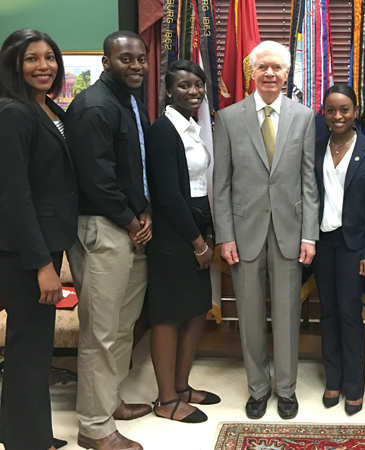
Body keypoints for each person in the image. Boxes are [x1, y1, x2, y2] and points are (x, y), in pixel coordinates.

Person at [213, 40, 319, 420]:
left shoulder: (304, 117)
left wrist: (310, 235)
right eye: (263, 68)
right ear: (252, 74)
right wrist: (224, 235)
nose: (270, 74)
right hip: (244, 234)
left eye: (277, 68)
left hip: (291, 233)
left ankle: (286, 390)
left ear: (287, 74)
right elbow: (220, 183)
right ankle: (258, 389)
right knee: (251, 316)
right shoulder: (228, 118)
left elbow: (309, 181)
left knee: (288, 315)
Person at [65, 31, 152, 450]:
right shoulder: (93, 105)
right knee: (99, 332)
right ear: (106, 62)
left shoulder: (130, 100)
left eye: (141, 59)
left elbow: (134, 167)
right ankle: (94, 428)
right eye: (125, 59)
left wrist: (145, 212)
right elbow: (95, 178)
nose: (136, 66)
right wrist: (131, 220)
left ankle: (110, 400)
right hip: (103, 228)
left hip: (131, 227)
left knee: (122, 325)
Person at [0, 28, 78, 450]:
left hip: (46, 243)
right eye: (32, 58)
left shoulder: (48, 107)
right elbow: (15, 195)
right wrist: (44, 266)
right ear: (14, 63)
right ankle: (29, 443)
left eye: (49, 57)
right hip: (24, 254)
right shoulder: (12, 112)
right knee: (29, 350)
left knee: (31, 348)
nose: (43, 66)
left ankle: (17, 432)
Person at [145, 59, 220, 424]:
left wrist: (206, 235)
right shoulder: (163, 131)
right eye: (184, 86)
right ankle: (166, 399)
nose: (193, 92)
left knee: (194, 309)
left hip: (195, 227)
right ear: (168, 91)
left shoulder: (191, 127)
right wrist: (198, 244)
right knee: (168, 315)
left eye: (198, 85)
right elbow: (169, 196)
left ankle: (183, 386)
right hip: (173, 237)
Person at [312, 84, 365, 416]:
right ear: (323, 113)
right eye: (331, 110)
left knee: (350, 314)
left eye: (344, 109)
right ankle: (334, 379)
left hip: (355, 246)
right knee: (327, 313)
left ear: (356, 112)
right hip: (323, 243)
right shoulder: (315, 149)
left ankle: (355, 386)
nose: (337, 116)